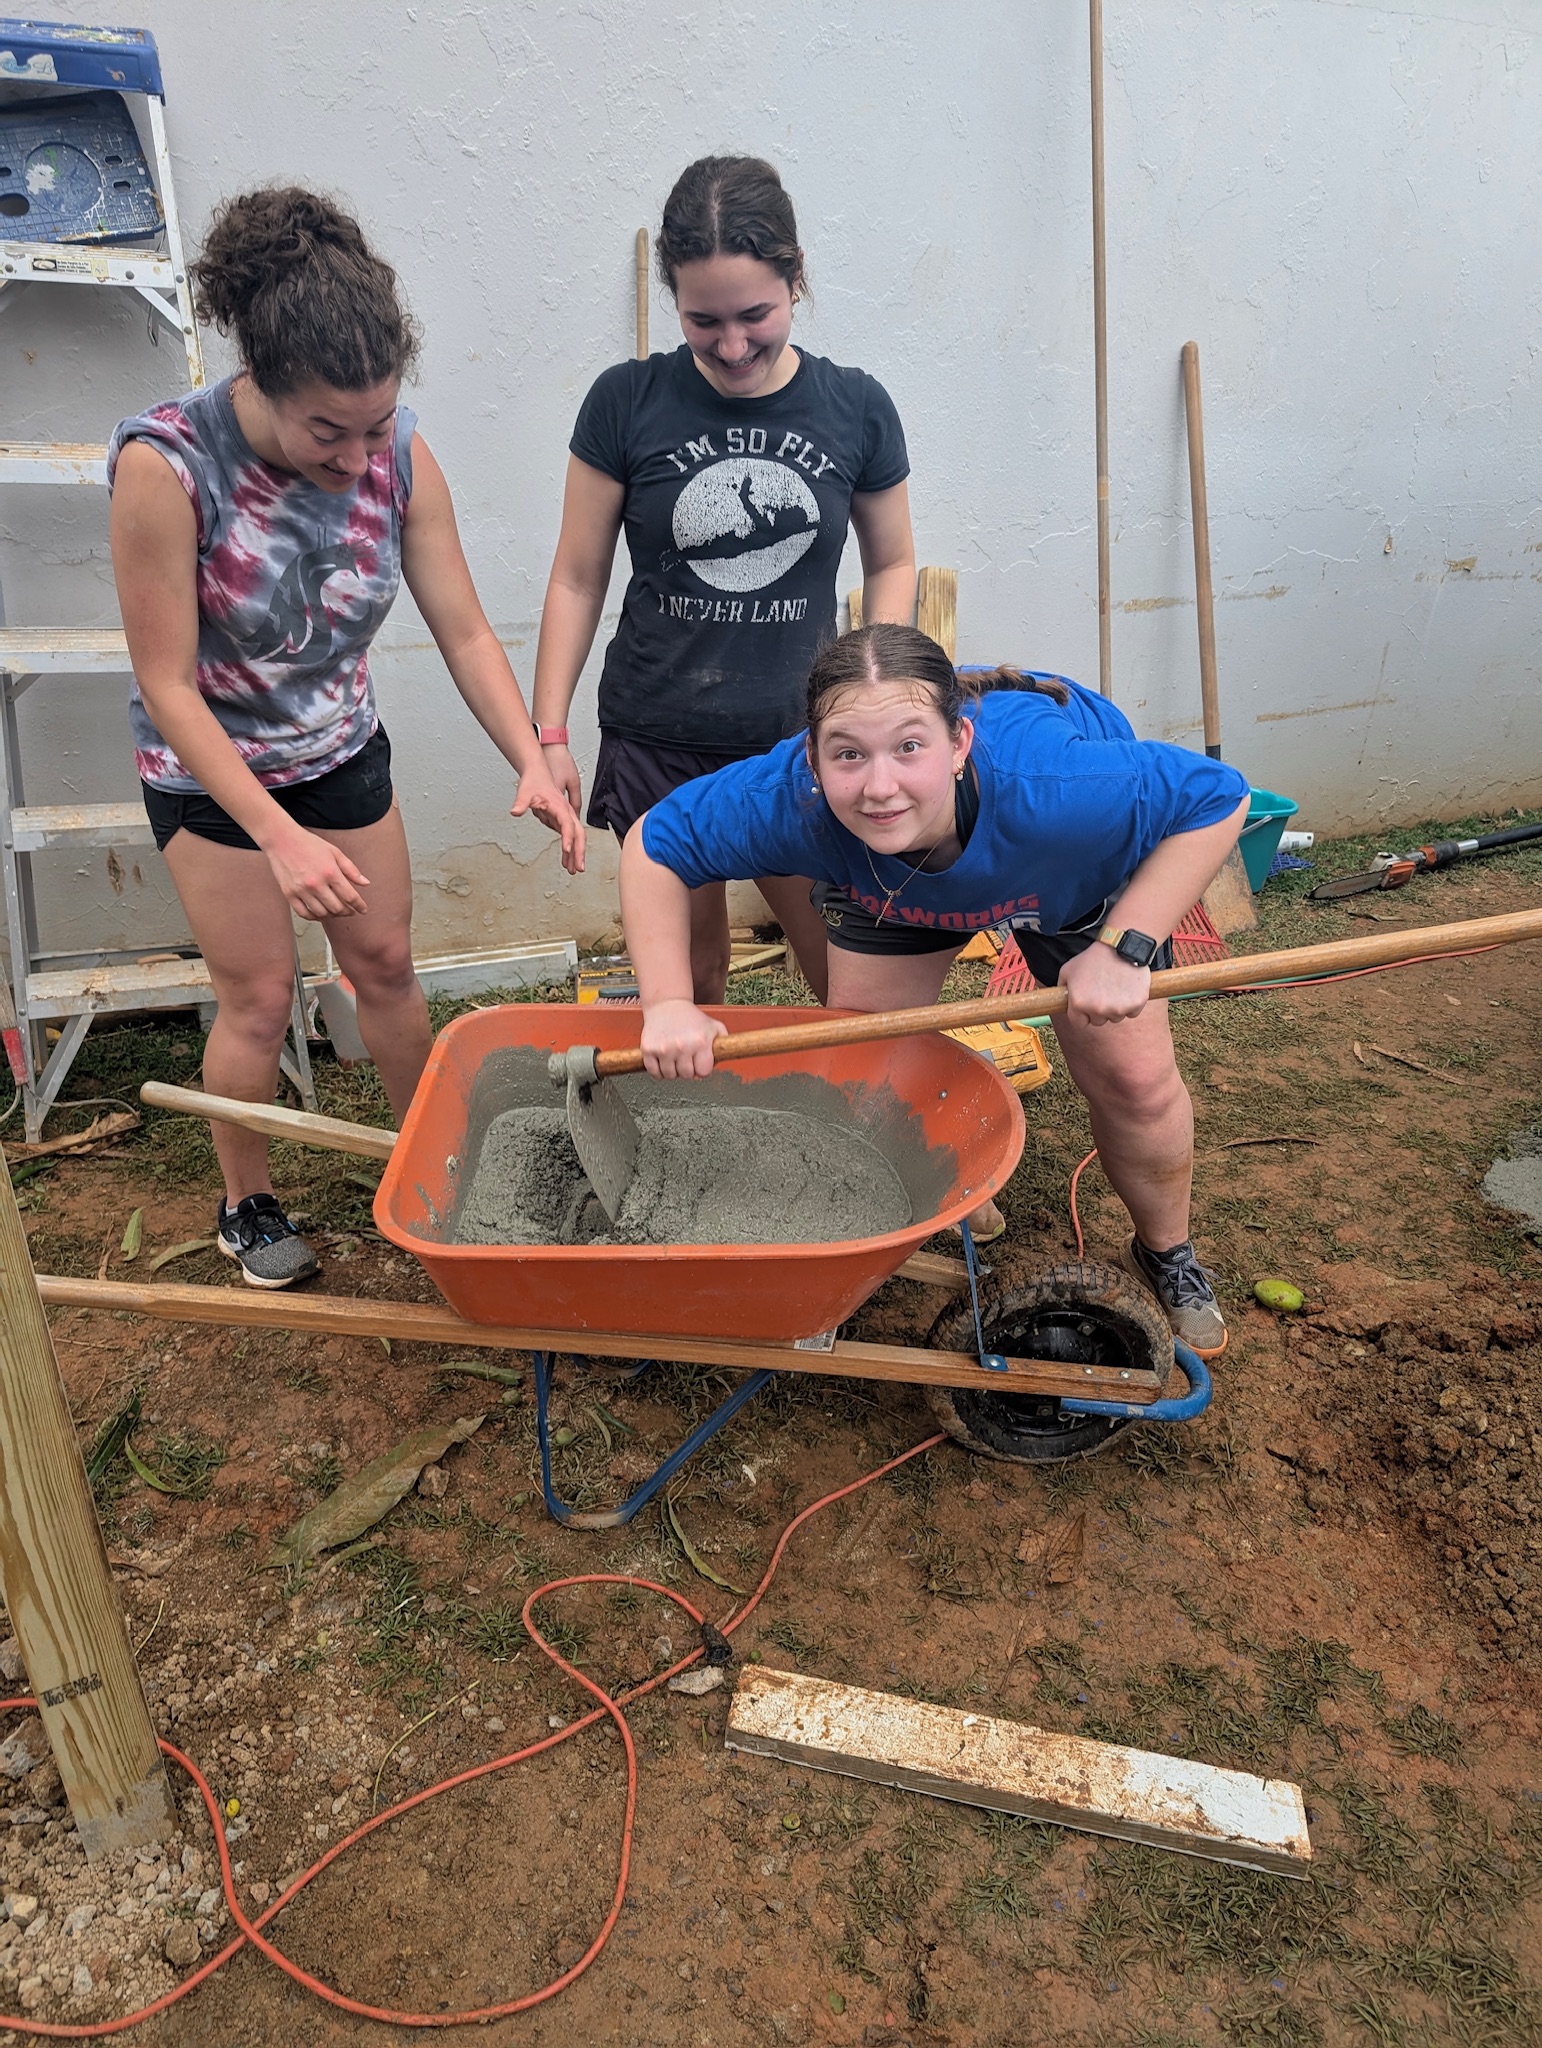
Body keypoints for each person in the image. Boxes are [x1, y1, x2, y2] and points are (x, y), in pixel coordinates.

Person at [109, 187, 581, 1289]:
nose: (360, 456)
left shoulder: (400, 455)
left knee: (385, 965)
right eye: (328, 430)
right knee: (260, 997)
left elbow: (463, 630)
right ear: (259, 380)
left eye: (377, 424)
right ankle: (246, 1202)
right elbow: (167, 685)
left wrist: (530, 752)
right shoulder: (166, 465)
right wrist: (276, 836)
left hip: (338, 749)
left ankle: (438, 1165)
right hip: (211, 774)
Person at [618, 624, 1251, 1357]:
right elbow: (654, 844)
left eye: (909, 747)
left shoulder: (1063, 788)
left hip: (1071, 878)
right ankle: (939, 1193)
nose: (879, 787)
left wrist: (1125, 947)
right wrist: (668, 1003)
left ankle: (1167, 1253)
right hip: (892, 889)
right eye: (848, 754)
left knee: (1134, 1081)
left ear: (959, 745)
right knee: (871, 1063)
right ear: (812, 759)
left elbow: (1218, 797)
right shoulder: (787, 798)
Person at [530, 154, 916, 1004]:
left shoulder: (855, 407)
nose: (733, 346)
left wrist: (878, 696)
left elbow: (891, 560)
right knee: (690, 979)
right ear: (673, 295)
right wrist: (548, 733)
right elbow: (577, 577)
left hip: (796, 737)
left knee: (845, 971)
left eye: (755, 315)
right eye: (703, 320)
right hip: (656, 735)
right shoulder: (625, 402)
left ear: (796, 278)